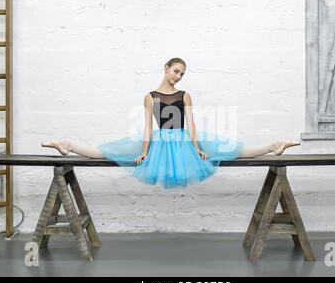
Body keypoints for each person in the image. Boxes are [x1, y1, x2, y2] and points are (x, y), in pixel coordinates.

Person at [42, 58, 300, 188]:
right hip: (158, 142)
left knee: (231, 149)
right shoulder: (150, 96)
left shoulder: (185, 95)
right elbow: (147, 127)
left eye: (182, 74)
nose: (178, 76)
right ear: (166, 68)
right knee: (107, 152)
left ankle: (273, 145)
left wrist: (198, 147)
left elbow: (192, 124)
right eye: (176, 71)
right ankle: (68, 145)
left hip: (183, 140)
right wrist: (144, 151)